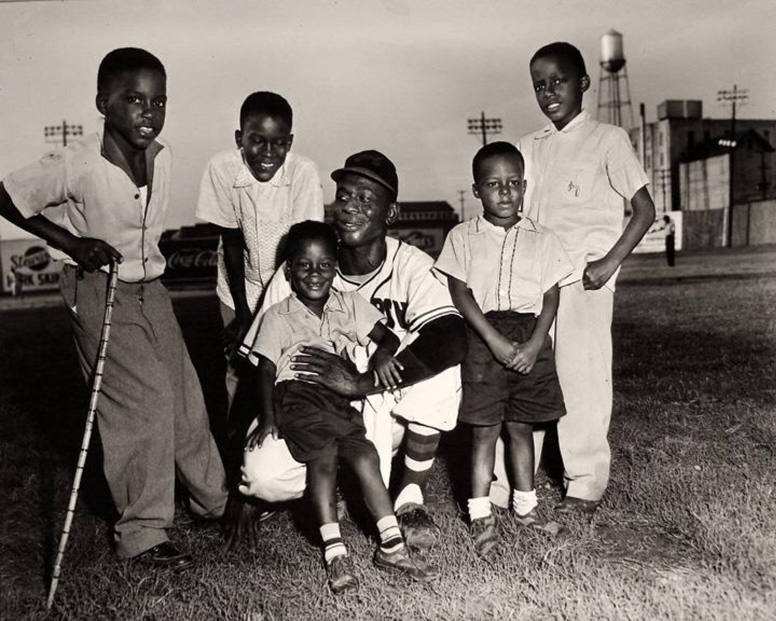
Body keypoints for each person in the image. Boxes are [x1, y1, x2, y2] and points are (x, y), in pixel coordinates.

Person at [0, 48, 228, 570]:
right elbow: (6, 195)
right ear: (104, 103)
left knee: (184, 395)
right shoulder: (75, 161)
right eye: (134, 99)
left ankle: (213, 501)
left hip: (152, 288)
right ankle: (143, 533)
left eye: (159, 101)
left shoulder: (163, 155)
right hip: (97, 288)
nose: (149, 112)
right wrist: (71, 242)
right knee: (142, 403)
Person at [228, 150, 466, 551]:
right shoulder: (307, 262)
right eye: (344, 196)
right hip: (307, 407)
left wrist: (363, 383)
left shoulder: (410, 265)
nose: (350, 208)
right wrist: (242, 491)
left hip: (383, 408)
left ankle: (408, 499)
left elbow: (452, 336)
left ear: (390, 214)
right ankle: (332, 482)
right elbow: (257, 370)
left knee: (440, 365)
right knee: (262, 477)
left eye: (365, 199)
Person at [505, 41, 655, 515]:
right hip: (535, 283)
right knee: (524, 377)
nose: (549, 92)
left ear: (584, 83)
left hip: (584, 280)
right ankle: (513, 482)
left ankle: (585, 483)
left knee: (581, 380)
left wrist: (609, 262)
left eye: (559, 81)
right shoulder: (529, 146)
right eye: (539, 85)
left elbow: (644, 210)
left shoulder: (608, 139)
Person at [246, 220, 436, 592]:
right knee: (322, 459)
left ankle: (391, 547)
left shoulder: (347, 303)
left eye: (324, 265)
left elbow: (388, 336)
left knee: (365, 455)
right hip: (297, 396)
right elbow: (266, 370)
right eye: (304, 265)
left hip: (337, 397)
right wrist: (268, 417)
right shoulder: (277, 316)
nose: (315, 274)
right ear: (289, 269)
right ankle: (335, 554)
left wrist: (382, 357)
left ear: (336, 266)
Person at [434, 142, 572, 556]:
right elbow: (460, 292)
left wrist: (534, 344)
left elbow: (551, 296)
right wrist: (492, 340)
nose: (505, 192)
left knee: (522, 428)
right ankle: (480, 515)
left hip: (530, 335)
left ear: (525, 185)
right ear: (477, 190)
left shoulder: (543, 238)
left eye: (514, 183)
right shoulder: (462, 236)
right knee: (484, 432)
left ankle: (525, 508)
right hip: (483, 337)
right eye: (494, 184)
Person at [195, 91, 323, 426]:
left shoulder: (304, 173)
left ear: (290, 141)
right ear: (239, 138)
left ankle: (286, 446)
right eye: (256, 141)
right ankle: (236, 449)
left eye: (278, 143)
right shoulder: (221, 168)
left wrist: (268, 315)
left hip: (287, 283)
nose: (268, 153)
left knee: (284, 366)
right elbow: (232, 240)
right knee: (238, 369)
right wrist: (242, 315)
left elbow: (298, 251)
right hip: (238, 286)